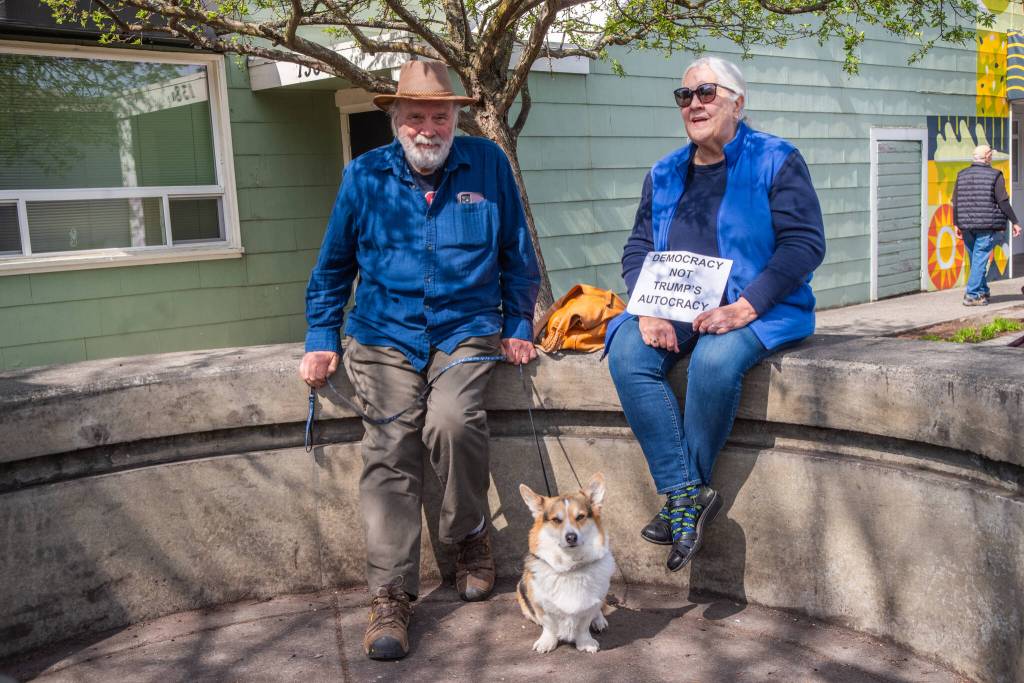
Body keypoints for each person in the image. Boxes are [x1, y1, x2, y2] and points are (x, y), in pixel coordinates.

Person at [300, 60, 540, 661]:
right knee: (390, 443)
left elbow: (516, 251)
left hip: (465, 329)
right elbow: (333, 266)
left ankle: (470, 538)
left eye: (439, 114)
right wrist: (320, 335)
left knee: (453, 422)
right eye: (415, 115)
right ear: (395, 119)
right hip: (383, 334)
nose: (428, 126)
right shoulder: (364, 176)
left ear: (456, 117)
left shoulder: (488, 165)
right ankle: (390, 594)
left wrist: (517, 323)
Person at [605, 56, 826, 573]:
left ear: (737, 102)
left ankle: (681, 500)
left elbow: (804, 244)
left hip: (754, 307)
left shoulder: (776, 159)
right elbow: (637, 248)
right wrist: (646, 309)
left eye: (707, 93)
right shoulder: (662, 173)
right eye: (685, 96)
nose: (695, 104)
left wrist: (745, 307)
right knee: (627, 354)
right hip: (673, 305)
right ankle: (687, 494)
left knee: (714, 361)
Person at [952, 144, 1022, 306]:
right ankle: (972, 295)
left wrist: (956, 223)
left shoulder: (961, 175)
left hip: (966, 225)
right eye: (991, 154)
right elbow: (1003, 202)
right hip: (986, 225)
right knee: (979, 259)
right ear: (988, 157)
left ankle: (982, 290)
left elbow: (955, 202)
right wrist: (1015, 221)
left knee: (977, 259)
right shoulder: (995, 175)